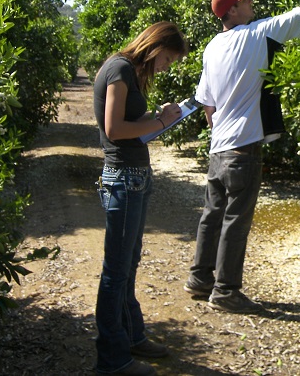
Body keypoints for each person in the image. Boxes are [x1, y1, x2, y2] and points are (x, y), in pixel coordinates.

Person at [183, 0, 300, 314]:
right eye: (245, 0)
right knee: (235, 221)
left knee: (212, 217)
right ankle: (225, 292)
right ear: (233, 11)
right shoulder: (256, 34)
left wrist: (223, 127)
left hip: (219, 149)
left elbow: (206, 104)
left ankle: (199, 279)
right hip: (243, 150)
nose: (252, 3)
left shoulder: (211, 48)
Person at [93, 22, 188, 375]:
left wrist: (157, 118)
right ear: (154, 46)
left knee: (127, 266)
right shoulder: (118, 68)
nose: (166, 66)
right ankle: (112, 360)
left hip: (134, 178)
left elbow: (129, 124)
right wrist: (158, 121)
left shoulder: (128, 72)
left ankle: (132, 336)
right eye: (167, 58)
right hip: (124, 179)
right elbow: (114, 130)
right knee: (115, 273)